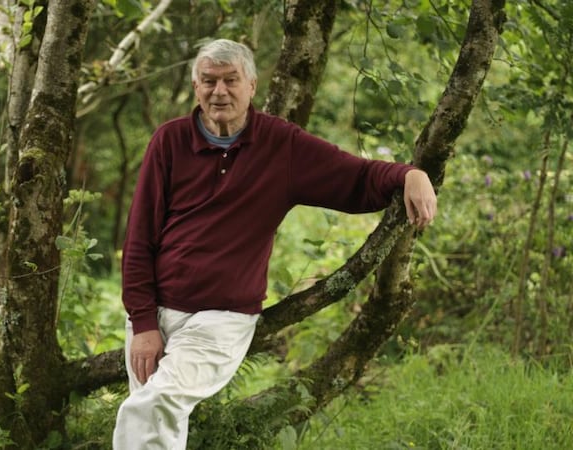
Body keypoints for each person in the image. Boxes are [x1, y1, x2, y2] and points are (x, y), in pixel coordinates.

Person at [112, 38, 437, 449]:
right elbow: (139, 238)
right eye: (209, 81)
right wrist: (143, 323)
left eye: (231, 80)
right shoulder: (169, 141)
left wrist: (410, 175)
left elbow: (355, 177)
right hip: (155, 311)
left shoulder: (281, 146)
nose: (219, 91)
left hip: (220, 318)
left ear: (252, 85)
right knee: (156, 423)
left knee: (154, 405)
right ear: (196, 87)